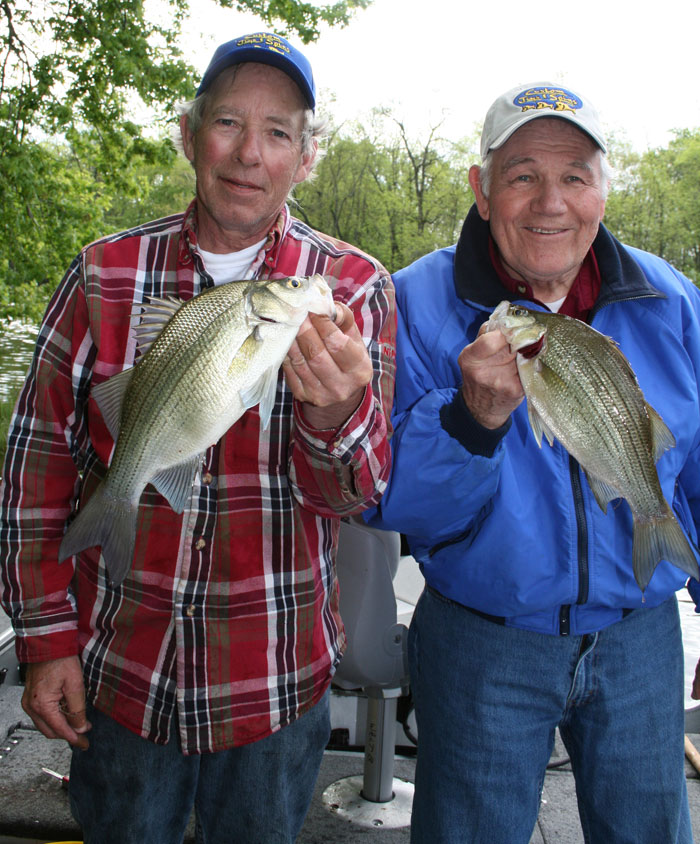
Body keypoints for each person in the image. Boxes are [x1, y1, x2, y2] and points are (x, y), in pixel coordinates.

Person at [0, 32, 395, 844]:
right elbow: (35, 470)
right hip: (124, 675)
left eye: (279, 131)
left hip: (274, 685)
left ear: (306, 156)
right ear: (189, 136)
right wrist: (45, 641)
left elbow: (359, 495)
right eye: (227, 123)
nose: (250, 154)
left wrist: (332, 416)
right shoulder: (103, 273)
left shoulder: (352, 287)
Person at [366, 82, 700, 843]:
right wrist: (471, 421)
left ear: (603, 193)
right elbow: (388, 502)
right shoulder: (410, 303)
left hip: (643, 636)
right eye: (522, 175)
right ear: (482, 192)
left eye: (575, 176)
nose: (551, 201)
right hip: (482, 640)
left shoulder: (671, 300)